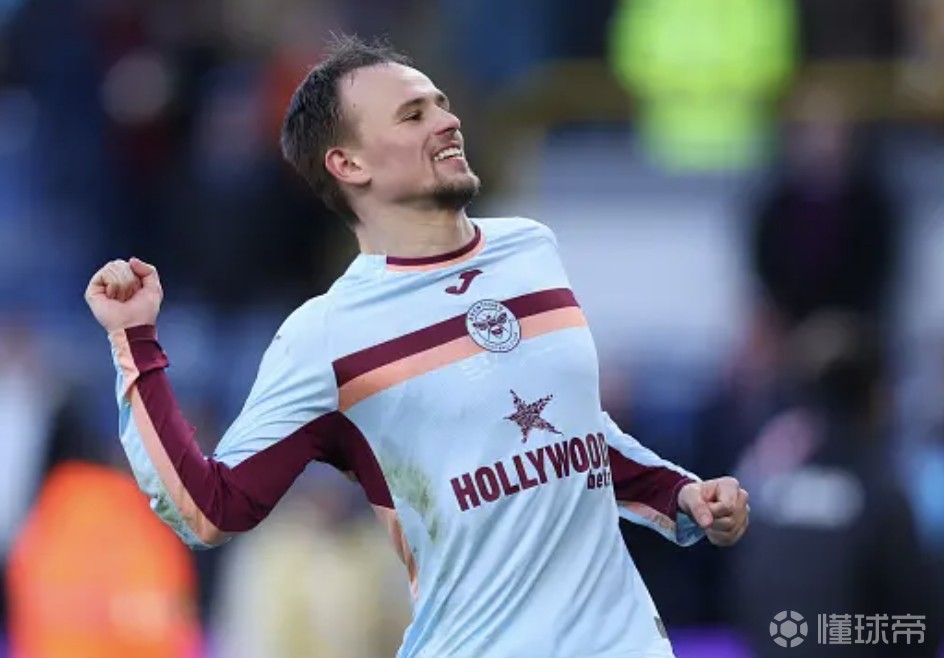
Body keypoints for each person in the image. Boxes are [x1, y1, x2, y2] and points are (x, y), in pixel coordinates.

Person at [83, 35, 750, 658]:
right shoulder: (327, 335)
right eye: (413, 115)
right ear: (349, 164)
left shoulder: (532, 248)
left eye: (441, 104)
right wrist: (134, 340)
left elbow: (570, 432)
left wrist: (681, 497)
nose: (447, 122)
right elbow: (209, 508)